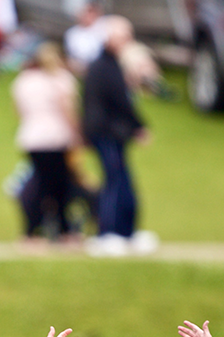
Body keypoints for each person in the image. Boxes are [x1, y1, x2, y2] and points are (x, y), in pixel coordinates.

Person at [81, 15, 152, 256]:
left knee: (123, 181)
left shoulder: (111, 65)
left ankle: (126, 231)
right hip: (106, 132)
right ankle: (107, 233)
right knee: (114, 181)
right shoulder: (103, 66)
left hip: (114, 133)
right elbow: (119, 101)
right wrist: (139, 125)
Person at [11, 41, 81, 243]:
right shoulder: (61, 80)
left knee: (40, 184)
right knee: (59, 187)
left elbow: (19, 110)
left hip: (31, 137)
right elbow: (68, 110)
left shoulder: (24, 80)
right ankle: (61, 231)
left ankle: (34, 231)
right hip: (56, 138)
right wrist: (78, 134)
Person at [63, 0, 106, 76]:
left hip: (101, 67)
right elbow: (71, 55)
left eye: (91, 12)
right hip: (79, 68)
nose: (88, 15)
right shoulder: (72, 33)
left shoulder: (105, 28)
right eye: (86, 12)